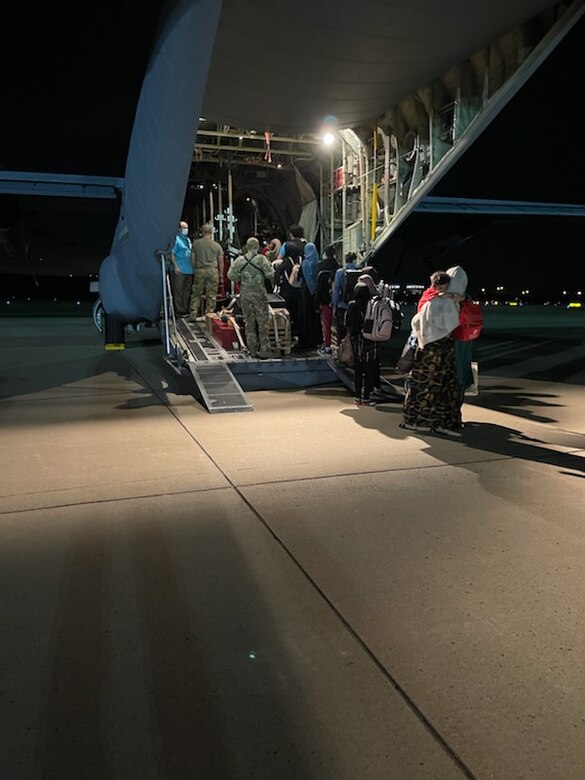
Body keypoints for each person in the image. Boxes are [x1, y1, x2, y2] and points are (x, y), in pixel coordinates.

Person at [400, 265, 468, 436]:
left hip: (431, 348)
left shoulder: (434, 298)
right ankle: (434, 421)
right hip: (434, 348)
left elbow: (415, 322)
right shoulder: (440, 301)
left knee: (432, 386)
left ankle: (421, 420)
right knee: (436, 385)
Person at [227, 237, 275, 359]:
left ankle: (252, 349)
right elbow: (270, 274)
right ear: (257, 246)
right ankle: (264, 349)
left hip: (245, 294)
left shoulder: (240, 260)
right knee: (262, 322)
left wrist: (240, 278)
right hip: (259, 294)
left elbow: (230, 275)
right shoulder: (262, 259)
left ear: (247, 247)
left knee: (249, 322)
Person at [344, 281, 382, 406]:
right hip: (369, 340)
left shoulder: (351, 305)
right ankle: (366, 397)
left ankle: (358, 397)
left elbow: (346, 323)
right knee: (369, 370)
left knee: (358, 371)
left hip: (356, 341)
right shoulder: (371, 305)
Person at [189, 224, 224, 321]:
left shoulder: (196, 244)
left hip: (200, 270)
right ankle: (209, 314)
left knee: (196, 293)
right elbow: (221, 261)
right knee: (211, 294)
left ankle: (193, 312)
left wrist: (195, 268)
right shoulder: (217, 245)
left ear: (202, 232)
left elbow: (192, 259)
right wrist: (221, 275)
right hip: (213, 271)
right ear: (211, 233)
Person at [273, 241, 301, 338]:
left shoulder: (286, 261)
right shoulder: (299, 260)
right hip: (297, 291)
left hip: (286, 290)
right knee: (296, 312)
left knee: (287, 313)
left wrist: (276, 284)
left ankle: (288, 333)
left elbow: (278, 273)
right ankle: (296, 331)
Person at [315, 245, 339, 355]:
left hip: (325, 299)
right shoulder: (338, 267)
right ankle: (340, 346)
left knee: (326, 324)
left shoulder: (320, 267)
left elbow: (318, 288)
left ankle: (328, 346)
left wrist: (316, 303)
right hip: (338, 300)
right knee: (338, 325)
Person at [297, 241, 321, 349]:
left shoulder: (304, 263)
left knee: (305, 316)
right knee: (315, 316)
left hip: (305, 292)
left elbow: (298, 278)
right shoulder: (318, 263)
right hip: (315, 293)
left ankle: (306, 340)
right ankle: (316, 340)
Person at [331, 251, 359, 342]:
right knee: (354, 330)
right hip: (356, 306)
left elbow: (336, 290)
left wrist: (334, 305)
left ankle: (343, 351)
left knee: (342, 331)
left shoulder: (340, 272)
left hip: (342, 305)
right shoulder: (359, 271)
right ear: (354, 260)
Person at [170, 220, 193, 315]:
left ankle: (185, 308)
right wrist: (175, 266)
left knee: (187, 291)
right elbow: (172, 253)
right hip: (179, 269)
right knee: (178, 291)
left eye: (186, 228)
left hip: (189, 269)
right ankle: (179, 310)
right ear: (179, 229)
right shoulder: (176, 239)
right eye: (184, 228)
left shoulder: (187, 240)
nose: (186, 230)